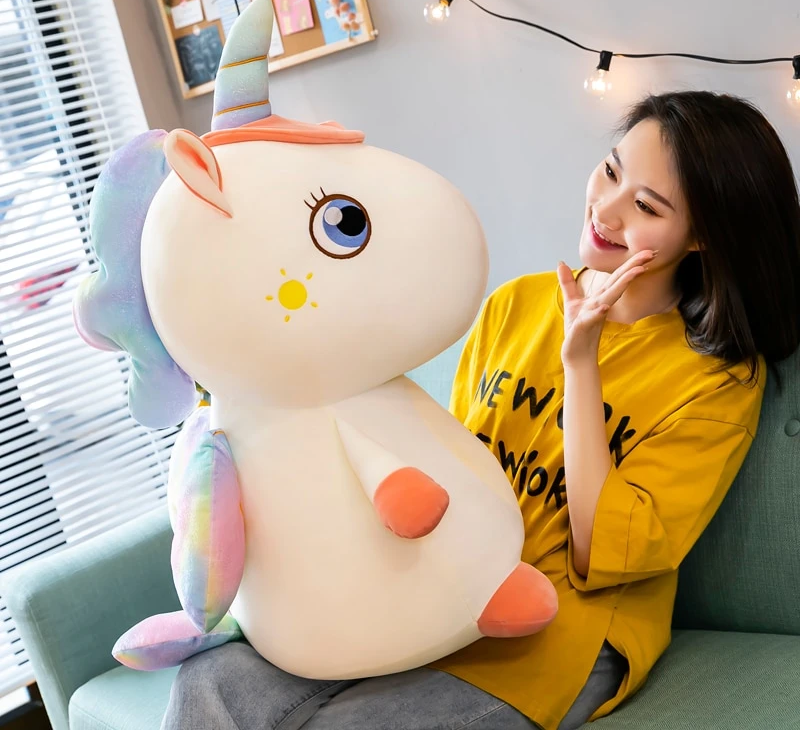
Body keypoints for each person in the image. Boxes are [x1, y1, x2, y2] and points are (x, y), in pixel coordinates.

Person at [161, 91, 800, 730]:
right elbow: (455, 467)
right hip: (443, 591)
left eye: (646, 206)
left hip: (558, 632)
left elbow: (602, 555)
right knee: (213, 680)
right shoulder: (515, 305)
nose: (606, 210)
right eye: (611, 171)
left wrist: (581, 364)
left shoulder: (716, 381)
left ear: (703, 236)